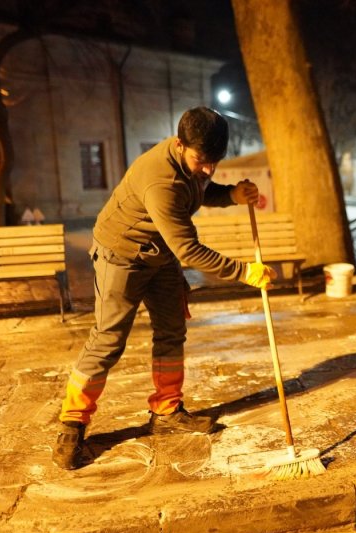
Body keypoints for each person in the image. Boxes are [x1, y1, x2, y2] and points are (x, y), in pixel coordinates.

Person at [53, 107, 277, 470]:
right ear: (179, 144)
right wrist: (244, 271)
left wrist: (231, 194)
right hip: (121, 256)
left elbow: (197, 190)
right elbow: (188, 248)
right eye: (202, 160)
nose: (208, 169)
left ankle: (167, 411)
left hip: (159, 254)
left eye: (215, 162)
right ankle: (72, 424)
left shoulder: (191, 165)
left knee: (172, 330)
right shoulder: (161, 181)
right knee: (108, 340)